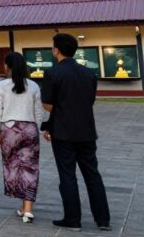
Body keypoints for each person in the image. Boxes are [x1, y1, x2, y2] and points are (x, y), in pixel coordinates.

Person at [42, 33, 110, 231]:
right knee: (92, 174)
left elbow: (47, 104)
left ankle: (73, 219)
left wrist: (62, 112)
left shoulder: (53, 73)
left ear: (56, 50)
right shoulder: (89, 74)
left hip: (63, 131)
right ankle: (103, 219)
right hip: (86, 130)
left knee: (67, 175)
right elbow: (90, 100)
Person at [0, 52, 47, 223]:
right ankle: (28, 209)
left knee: (13, 167)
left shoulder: (1, 86)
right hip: (29, 128)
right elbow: (39, 112)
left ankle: (22, 203)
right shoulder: (34, 86)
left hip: (9, 130)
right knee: (30, 167)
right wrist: (36, 128)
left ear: (7, 66)